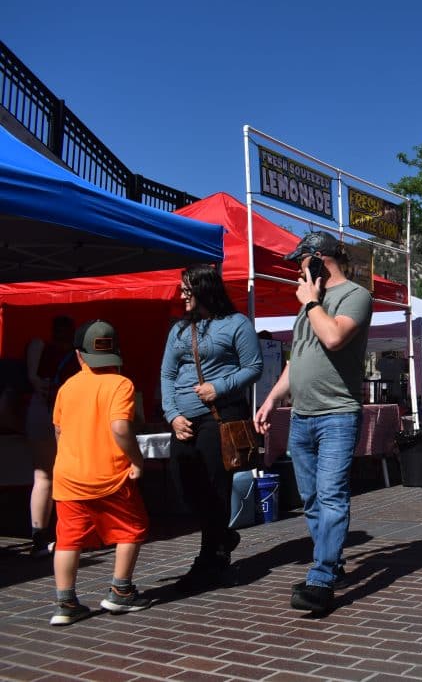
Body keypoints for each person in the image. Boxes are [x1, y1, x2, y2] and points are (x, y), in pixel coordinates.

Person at [254, 231, 372, 614]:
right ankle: (332, 563)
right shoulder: (308, 306)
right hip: (302, 416)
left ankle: (321, 578)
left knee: (332, 494)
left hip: (337, 414)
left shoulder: (355, 296)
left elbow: (334, 337)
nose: (298, 272)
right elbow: (297, 359)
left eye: (301, 262)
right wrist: (272, 398)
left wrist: (311, 303)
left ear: (319, 259)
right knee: (311, 499)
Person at [160, 265, 263, 591]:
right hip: (183, 421)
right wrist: (172, 415)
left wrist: (219, 387)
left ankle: (209, 560)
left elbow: (254, 367)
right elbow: (167, 375)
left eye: (186, 290)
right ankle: (223, 536)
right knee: (183, 485)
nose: (181, 295)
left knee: (214, 488)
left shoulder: (236, 324)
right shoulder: (178, 330)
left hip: (220, 417)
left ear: (203, 289)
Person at [49, 320, 151, 625]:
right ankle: (121, 593)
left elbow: (58, 429)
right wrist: (138, 460)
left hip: (68, 477)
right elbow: (120, 428)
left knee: (68, 540)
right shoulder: (121, 384)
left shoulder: (67, 387)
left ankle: (65, 604)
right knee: (132, 528)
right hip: (111, 476)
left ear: (80, 356)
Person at [25, 316, 79, 558]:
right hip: (64, 414)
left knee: (43, 475)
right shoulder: (78, 357)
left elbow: (33, 379)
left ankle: (39, 537)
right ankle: (66, 535)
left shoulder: (39, 347)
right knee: (65, 475)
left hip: (39, 411)